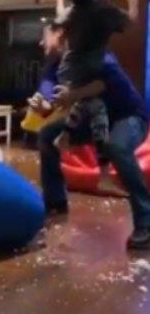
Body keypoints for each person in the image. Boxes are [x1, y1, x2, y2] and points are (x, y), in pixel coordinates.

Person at [33, 19, 150, 248]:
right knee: (47, 135)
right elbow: (47, 93)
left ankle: (146, 221)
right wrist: (43, 105)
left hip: (128, 116)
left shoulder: (94, 54)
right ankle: (56, 202)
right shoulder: (54, 66)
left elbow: (103, 83)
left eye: (44, 35)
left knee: (116, 145)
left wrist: (73, 94)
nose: (40, 42)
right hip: (92, 119)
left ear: (60, 34)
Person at [51, 0, 129, 192]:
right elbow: (129, 20)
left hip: (69, 69)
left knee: (88, 104)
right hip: (88, 73)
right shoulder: (103, 9)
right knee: (99, 113)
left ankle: (64, 137)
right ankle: (103, 174)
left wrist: (59, 0)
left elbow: (60, 18)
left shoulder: (72, 12)